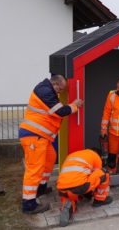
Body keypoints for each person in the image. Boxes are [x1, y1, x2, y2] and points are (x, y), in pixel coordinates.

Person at [19, 75, 83, 214]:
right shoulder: (45, 91)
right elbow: (59, 111)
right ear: (55, 83)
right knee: (34, 170)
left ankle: (41, 188)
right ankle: (29, 204)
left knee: (50, 159)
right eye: (60, 89)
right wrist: (75, 105)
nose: (60, 92)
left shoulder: (46, 89)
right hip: (34, 137)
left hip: (41, 137)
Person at [57, 148, 112, 227]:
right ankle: (99, 200)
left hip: (62, 189)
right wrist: (89, 192)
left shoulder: (72, 155)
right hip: (79, 187)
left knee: (72, 191)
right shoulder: (95, 156)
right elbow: (96, 177)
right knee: (104, 173)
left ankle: (68, 205)